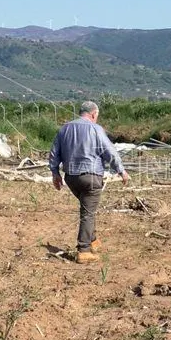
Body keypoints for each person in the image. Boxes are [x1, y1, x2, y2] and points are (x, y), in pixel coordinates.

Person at [49, 101, 129, 264]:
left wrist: (55, 172)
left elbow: (54, 152)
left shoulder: (65, 128)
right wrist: (121, 171)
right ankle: (84, 250)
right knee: (87, 212)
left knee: (87, 209)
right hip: (91, 177)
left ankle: (92, 239)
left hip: (71, 177)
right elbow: (109, 152)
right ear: (93, 114)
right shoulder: (95, 129)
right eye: (96, 116)